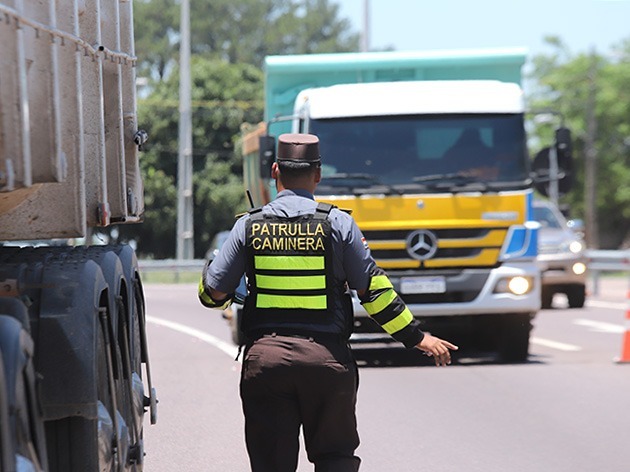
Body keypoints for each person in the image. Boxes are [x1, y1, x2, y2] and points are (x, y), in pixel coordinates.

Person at [198, 133, 458, 472]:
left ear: (275, 172)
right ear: (318, 175)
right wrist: (417, 338)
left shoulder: (249, 225)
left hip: (266, 361)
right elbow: (374, 293)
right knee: (335, 459)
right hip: (326, 361)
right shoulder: (338, 223)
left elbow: (213, 294)